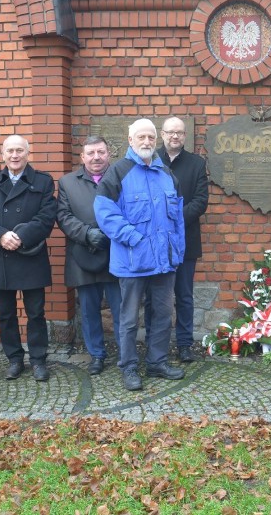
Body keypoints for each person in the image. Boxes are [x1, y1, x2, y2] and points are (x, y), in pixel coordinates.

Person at [95, 118, 186, 391]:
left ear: (156, 140)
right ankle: (129, 367)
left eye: (150, 137)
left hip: (163, 262)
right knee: (129, 319)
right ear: (130, 139)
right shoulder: (118, 172)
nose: (146, 142)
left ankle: (157, 363)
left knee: (161, 315)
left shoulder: (167, 174)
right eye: (141, 137)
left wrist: (177, 250)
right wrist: (133, 237)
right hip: (133, 261)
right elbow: (104, 213)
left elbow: (177, 218)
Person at [0, 135, 56, 382]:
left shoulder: (43, 181)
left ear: (27, 153)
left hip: (29, 254)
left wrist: (20, 236)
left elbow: (46, 217)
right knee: (6, 313)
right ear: (3, 154)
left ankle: (39, 360)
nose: (14, 155)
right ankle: (14, 359)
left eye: (19, 150)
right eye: (9, 151)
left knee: (35, 313)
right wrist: (1, 235)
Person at [144, 117, 209, 362]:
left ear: (185, 136)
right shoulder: (150, 160)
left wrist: (173, 220)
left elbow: (200, 202)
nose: (175, 137)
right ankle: (152, 342)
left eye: (179, 133)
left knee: (183, 295)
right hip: (155, 242)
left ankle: (184, 344)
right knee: (153, 296)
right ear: (162, 134)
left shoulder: (196, 163)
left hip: (186, 241)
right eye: (170, 132)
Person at [56, 135, 122, 375]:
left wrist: (110, 233)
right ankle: (96, 354)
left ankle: (126, 354)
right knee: (89, 309)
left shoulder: (121, 177)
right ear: (82, 157)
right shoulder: (67, 182)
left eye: (101, 152)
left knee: (120, 309)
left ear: (109, 154)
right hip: (83, 255)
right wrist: (86, 234)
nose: (96, 157)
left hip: (116, 254)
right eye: (91, 153)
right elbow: (63, 216)